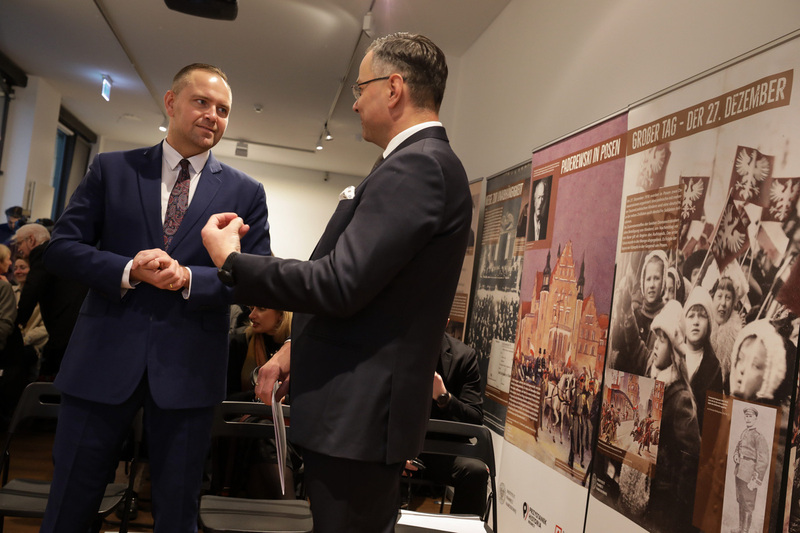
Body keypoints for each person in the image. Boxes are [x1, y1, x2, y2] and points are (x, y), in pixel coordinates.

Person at [202, 33, 471, 533]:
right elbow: (367, 292)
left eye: (361, 86)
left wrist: (236, 264)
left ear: (394, 89)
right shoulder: (413, 165)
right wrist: (294, 350)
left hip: (361, 420)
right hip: (355, 418)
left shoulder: (418, 166)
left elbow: (339, 283)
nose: (353, 102)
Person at [38, 63, 271, 533]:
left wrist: (189, 277)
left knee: (177, 512)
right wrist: (127, 270)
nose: (213, 116)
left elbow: (256, 279)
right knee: (69, 503)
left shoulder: (246, 192)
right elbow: (61, 248)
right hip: (101, 362)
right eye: (202, 102)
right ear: (171, 102)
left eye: (223, 110)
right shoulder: (112, 168)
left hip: (188, 372)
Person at [403, 332, 486, 515]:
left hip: (442, 450)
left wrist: (445, 399)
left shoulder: (463, 356)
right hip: (399, 445)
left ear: (446, 320)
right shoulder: (396, 345)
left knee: (475, 470)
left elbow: (475, 419)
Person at [645, 299, 701, 533]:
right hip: (649, 495)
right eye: (655, 338)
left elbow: (692, 458)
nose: (656, 346)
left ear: (675, 351)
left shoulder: (680, 398)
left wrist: (676, 515)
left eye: (662, 339)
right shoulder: (654, 381)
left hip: (664, 509)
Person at [13, 222, 86, 380]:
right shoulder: (61, 251)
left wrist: (17, 321)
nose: (18, 248)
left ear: (31, 240)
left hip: (63, 328)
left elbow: (32, 289)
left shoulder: (41, 252)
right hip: (78, 325)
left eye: (19, 243)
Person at [682, 286, 722, 428]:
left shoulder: (714, 368)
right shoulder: (671, 356)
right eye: (691, 315)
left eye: (702, 316)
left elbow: (713, 422)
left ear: (709, 324)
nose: (696, 321)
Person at [733, 406, 769, 533]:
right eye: (746, 416)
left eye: (751, 416)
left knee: (748, 504)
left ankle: (745, 531)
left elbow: (763, 460)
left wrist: (756, 480)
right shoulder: (744, 433)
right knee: (741, 500)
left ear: (756, 418)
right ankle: (741, 528)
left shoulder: (759, 437)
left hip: (749, 475)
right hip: (739, 472)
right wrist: (736, 456)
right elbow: (738, 448)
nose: (748, 419)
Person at [11, 255, 48, 373]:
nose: (18, 271)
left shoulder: (43, 296)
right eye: (16, 268)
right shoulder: (9, 292)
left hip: (33, 348)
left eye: (22, 267)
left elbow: (46, 328)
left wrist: (26, 339)